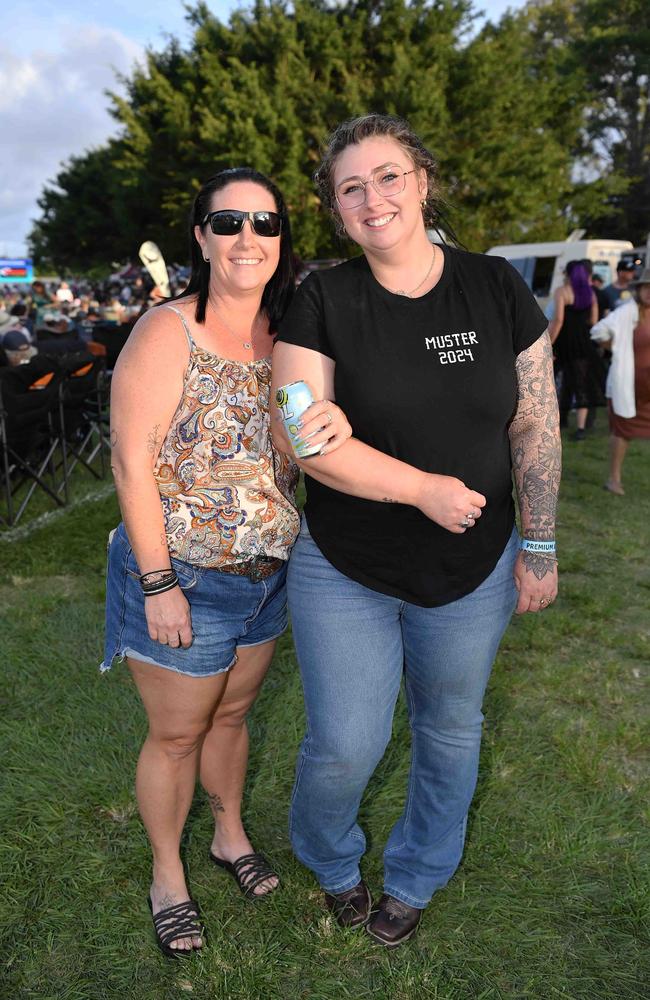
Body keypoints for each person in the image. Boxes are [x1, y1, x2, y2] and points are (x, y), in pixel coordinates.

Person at [271, 114, 561, 948]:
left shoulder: (496, 286)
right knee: (344, 746)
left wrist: (537, 544)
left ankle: (418, 873)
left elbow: (534, 426)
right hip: (347, 565)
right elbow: (306, 441)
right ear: (336, 209)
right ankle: (330, 859)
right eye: (351, 187)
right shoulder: (323, 299)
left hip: (474, 568)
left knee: (449, 728)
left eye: (389, 175)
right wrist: (423, 488)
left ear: (422, 181)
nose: (374, 197)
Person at [102, 167, 350, 958]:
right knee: (176, 737)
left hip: (267, 572)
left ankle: (229, 835)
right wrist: (159, 584)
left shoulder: (290, 334)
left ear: (283, 240)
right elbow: (131, 462)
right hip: (183, 576)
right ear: (202, 237)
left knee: (232, 717)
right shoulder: (166, 330)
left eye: (266, 224)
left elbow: (294, 450)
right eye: (230, 222)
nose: (249, 238)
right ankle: (167, 874)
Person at [590, 265, 650, 495]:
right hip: (628, 384)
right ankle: (613, 479)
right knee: (622, 431)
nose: (649, 293)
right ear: (639, 289)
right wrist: (614, 347)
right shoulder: (628, 311)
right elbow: (598, 331)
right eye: (646, 288)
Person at [548, 260, 601, 440]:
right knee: (581, 385)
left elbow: (559, 320)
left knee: (552, 381)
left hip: (564, 343)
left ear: (568, 275)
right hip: (583, 344)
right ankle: (580, 428)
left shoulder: (562, 292)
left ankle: (555, 421)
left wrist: (548, 344)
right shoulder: (591, 294)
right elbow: (593, 321)